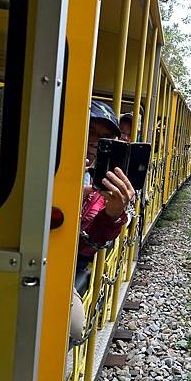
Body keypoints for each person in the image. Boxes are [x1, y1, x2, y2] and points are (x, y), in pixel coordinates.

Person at [70, 100, 135, 345]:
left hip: (68, 263)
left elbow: (91, 244)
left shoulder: (106, 186)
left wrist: (112, 215)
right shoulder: (47, 162)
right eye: (90, 131)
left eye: (105, 138)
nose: (94, 142)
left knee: (74, 328)